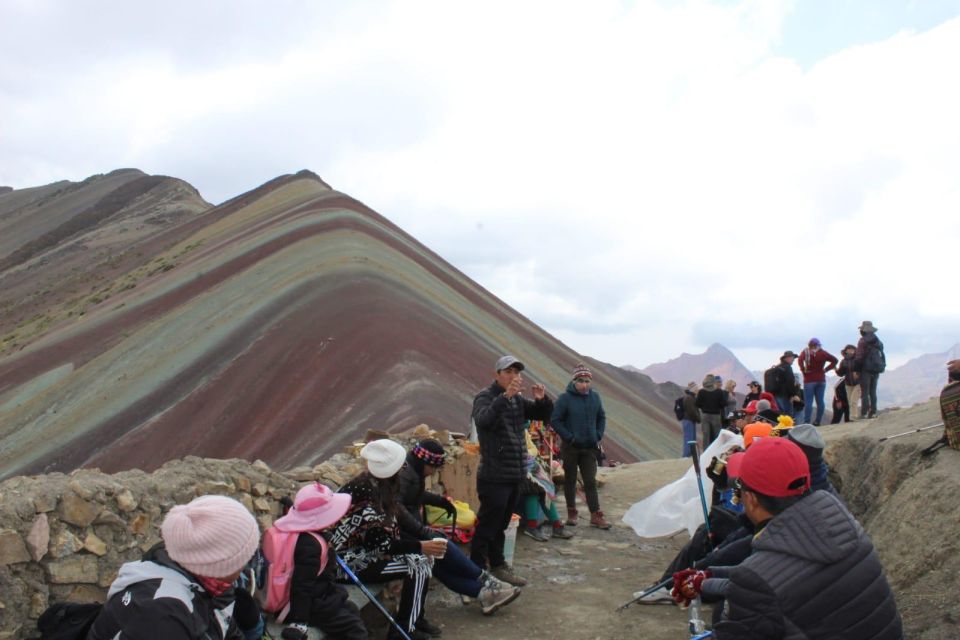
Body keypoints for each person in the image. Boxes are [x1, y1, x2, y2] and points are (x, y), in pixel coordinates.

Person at [676, 437, 903, 639]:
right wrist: (705, 578)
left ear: (751, 499)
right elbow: (774, 583)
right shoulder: (844, 527)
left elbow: (761, 585)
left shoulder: (760, 577)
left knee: (722, 613)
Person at [89, 495, 263, 640]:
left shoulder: (213, 585)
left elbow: (228, 631)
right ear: (221, 565)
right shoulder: (161, 616)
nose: (246, 566)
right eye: (244, 558)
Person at [330, 439, 442, 640]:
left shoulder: (372, 485)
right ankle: (404, 631)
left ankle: (412, 622)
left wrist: (420, 544)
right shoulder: (367, 496)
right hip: (346, 563)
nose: (404, 470)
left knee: (422, 560)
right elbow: (380, 545)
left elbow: (384, 536)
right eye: (401, 466)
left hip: (361, 554)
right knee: (419, 565)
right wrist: (420, 546)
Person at [395, 439, 521, 615]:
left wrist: (440, 501)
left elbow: (413, 496)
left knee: (439, 566)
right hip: (404, 536)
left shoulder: (413, 472)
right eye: (434, 468)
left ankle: (485, 593)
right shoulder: (405, 474)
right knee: (442, 546)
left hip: (409, 532)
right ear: (425, 462)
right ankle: (486, 581)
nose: (434, 472)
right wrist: (423, 531)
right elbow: (397, 508)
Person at [471, 355, 553, 586]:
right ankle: (475, 572)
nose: (513, 377)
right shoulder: (485, 397)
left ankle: (498, 566)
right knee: (487, 525)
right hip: (493, 475)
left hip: (514, 474)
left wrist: (542, 400)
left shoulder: (517, 400)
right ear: (497, 374)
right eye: (508, 372)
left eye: (517, 373)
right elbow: (484, 420)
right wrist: (505, 397)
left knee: (502, 524)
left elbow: (541, 414)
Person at [277, 483, 369, 640]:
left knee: (352, 610)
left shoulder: (309, 535)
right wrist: (299, 622)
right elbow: (302, 586)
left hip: (321, 595)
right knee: (356, 631)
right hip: (313, 604)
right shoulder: (310, 545)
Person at [551, 363, 611, 529]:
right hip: (571, 447)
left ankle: (595, 515)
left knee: (590, 481)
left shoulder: (595, 397)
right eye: (581, 381)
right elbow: (555, 420)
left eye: (587, 381)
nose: (584, 384)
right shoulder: (565, 399)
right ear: (574, 381)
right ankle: (572, 513)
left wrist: (598, 435)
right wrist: (569, 437)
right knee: (570, 480)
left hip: (590, 447)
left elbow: (602, 416)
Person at [797, 338, 838, 426]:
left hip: (809, 379)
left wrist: (803, 369)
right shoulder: (823, 353)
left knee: (808, 401)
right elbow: (835, 360)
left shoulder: (806, 352)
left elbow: (800, 360)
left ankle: (807, 421)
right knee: (820, 401)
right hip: (821, 379)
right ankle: (817, 421)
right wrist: (826, 369)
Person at [854, 321, 885, 419]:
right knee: (873, 391)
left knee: (865, 393)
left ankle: (864, 413)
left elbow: (859, 357)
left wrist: (857, 370)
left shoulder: (862, 341)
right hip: (876, 369)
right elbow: (881, 354)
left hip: (865, 370)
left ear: (863, 330)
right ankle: (873, 412)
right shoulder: (878, 341)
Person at [696, 374, 725, 447]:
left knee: (706, 435)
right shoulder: (719, 391)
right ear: (713, 382)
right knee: (717, 435)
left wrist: (704, 407)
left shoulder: (701, 392)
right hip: (716, 416)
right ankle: (716, 452)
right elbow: (723, 404)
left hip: (705, 415)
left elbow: (697, 404)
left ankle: (706, 453)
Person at [836, 344, 861, 420]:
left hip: (858, 383)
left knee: (853, 400)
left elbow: (862, 369)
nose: (851, 351)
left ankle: (854, 416)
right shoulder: (843, 361)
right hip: (848, 384)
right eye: (849, 349)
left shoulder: (858, 359)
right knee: (850, 401)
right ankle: (852, 417)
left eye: (852, 349)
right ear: (846, 351)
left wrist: (858, 373)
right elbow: (841, 373)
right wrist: (836, 370)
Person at [771, 351, 799, 417]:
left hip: (776, 395)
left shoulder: (778, 367)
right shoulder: (787, 367)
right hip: (785, 396)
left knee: (780, 415)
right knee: (788, 416)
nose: (793, 360)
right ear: (788, 358)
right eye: (793, 358)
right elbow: (790, 382)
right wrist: (793, 394)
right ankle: (788, 427)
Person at [680, 382, 701, 457]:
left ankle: (689, 455)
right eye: (696, 388)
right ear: (693, 389)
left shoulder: (690, 397)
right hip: (689, 420)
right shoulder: (689, 398)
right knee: (689, 438)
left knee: (691, 438)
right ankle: (686, 455)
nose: (698, 389)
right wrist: (698, 418)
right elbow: (692, 411)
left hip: (689, 420)